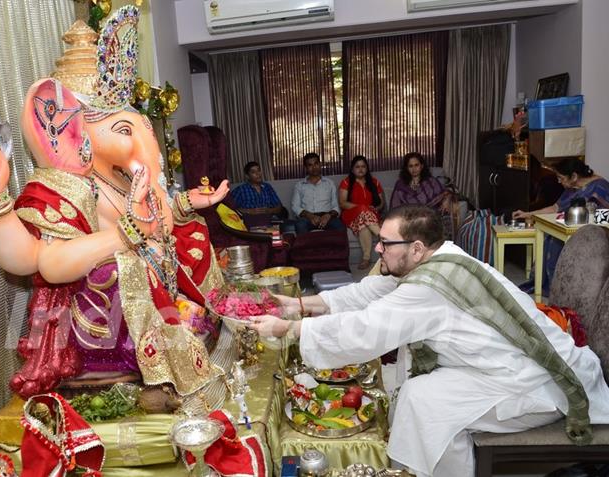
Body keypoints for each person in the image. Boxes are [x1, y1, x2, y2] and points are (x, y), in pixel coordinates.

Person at [0, 7, 231, 412]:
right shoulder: (62, 184)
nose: (138, 143)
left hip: (156, 297)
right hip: (101, 319)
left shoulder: (118, 177)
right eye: (121, 130)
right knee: (118, 268)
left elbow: (157, 226)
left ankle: (173, 347)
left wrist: (185, 205)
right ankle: (134, 373)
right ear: (71, 131)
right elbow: (37, 261)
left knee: (193, 234)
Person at [250, 205, 609, 477]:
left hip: (531, 381)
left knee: (422, 404)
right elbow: (370, 292)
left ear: (417, 248)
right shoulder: (442, 258)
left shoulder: (428, 287)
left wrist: (291, 330)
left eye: (385, 243)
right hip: (507, 364)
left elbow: (367, 328)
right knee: (415, 393)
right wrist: (297, 305)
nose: (377, 249)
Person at [513, 157, 609, 293]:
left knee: (557, 241)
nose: (559, 181)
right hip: (571, 228)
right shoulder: (573, 187)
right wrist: (528, 214)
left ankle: (559, 288)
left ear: (574, 176)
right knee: (550, 235)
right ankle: (548, 285)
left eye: (561, 177)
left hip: (594, 234)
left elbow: (604, 217)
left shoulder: (600, 187)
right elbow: (555, 208)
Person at [338, 155, 384, 270]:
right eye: (357, 167)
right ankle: (384, 237)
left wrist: (375, 209)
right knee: (362, 210)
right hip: (351, 214)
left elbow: (381, 203)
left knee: (363, 225)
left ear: (367, 168)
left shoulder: (374, 182)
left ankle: (366, 258)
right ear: (353, 169)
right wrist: (363, 208)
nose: (360, 169)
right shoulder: (346, 182)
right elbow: (343, 203)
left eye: (363, 166)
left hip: (370, 215)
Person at [291, 152, 345, 234]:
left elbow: (336, 206)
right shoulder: (299, 185)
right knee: (300, 225)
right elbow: (295, 207)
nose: (314, 167)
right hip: (307, 218)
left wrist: (328, 216)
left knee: (338, 225)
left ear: (320, 164)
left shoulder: (329, 183)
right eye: (310, 165)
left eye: (316, 163)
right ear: (306, 167)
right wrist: (310, 216)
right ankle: (307, 247)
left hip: (327, 217)